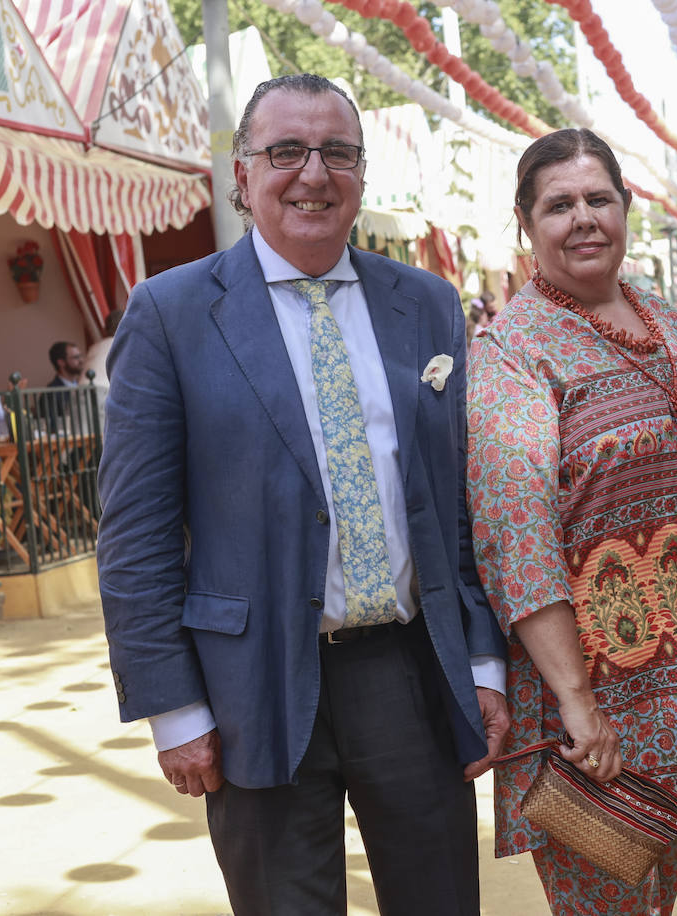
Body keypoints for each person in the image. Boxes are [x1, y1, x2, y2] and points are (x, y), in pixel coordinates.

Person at [97, 73, 509, 915]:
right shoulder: (171, 313)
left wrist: (480, 659)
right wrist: (173, 707)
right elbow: (135, 535)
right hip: (250, 686)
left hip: (408, 672)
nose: (313, 174)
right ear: (242, 173)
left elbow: (458, 507)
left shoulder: (427, 304)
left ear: (361, 172)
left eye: (337, 153)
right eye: (286, 150)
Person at [467, 127, 677, 914]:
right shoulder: (514, 352)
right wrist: (577, 705)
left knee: (654, 905)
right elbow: (518, 544)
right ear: (525, 223)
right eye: (560, 205)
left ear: (626, 206)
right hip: (591, 711)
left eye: (599, 199)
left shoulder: (666, 320)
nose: (584, 219)